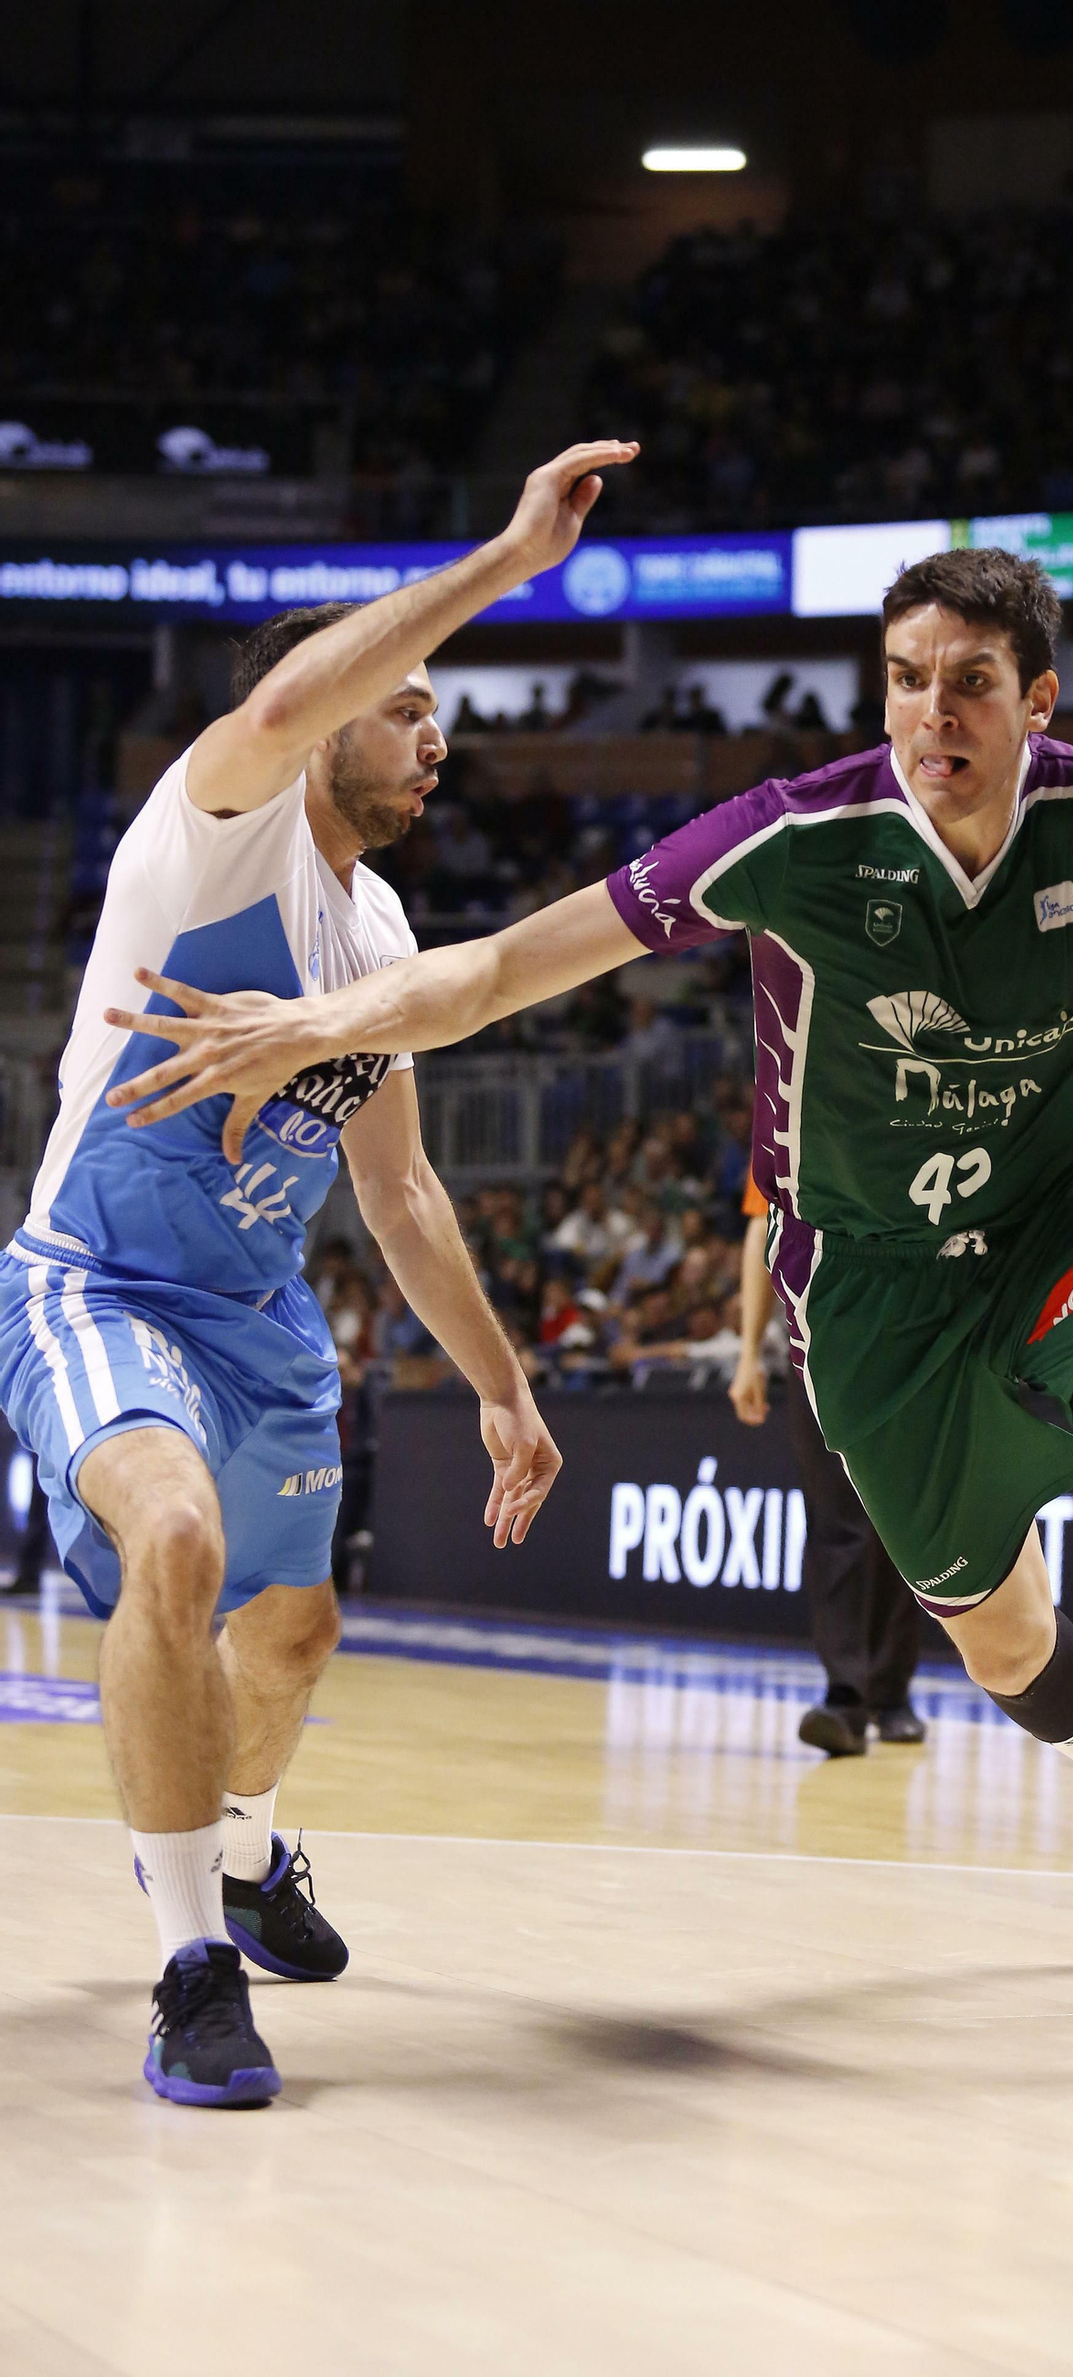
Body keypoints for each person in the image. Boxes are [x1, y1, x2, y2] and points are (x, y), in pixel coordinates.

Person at [107, 542, 1073, 2028]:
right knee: (1002, 1636)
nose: (930, 713)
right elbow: (502, 970)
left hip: (1061, 1224)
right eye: (906, 680)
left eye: (970, 683)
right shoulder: (789, 836)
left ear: (1037, 699)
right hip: (874, 1292)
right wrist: (310, 1026)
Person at [0, 437, 637, 2109]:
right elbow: (285, 705)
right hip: (100, 1287)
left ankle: (253, 1845)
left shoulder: (389, 937)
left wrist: (505, 1384)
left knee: (292, 1633)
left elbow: (403, 1183)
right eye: (410, 701)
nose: (439, 733)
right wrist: (508, 560)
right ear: (324, 708)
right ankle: (193, 1968)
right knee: (181, 1543)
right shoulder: (219, 825)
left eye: (437, 708)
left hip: (263, 1322)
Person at [730, 1171, 923, 1757]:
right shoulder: (785, 1102)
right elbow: (762, 1227)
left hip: (914, 1335)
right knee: (837, 1521)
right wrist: (748, 1354)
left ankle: (890, 1693)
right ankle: (846, 1695)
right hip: (818, 1342)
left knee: (902, 1521)